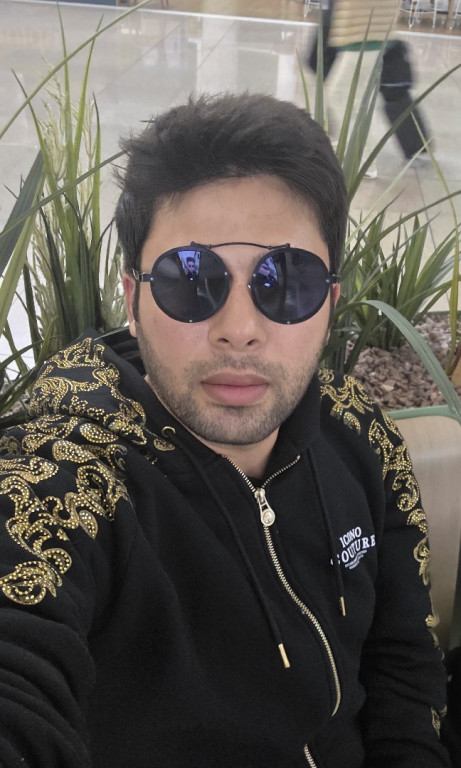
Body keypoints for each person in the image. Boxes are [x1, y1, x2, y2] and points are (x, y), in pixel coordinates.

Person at [0, 93, 451, 768]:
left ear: (329, 304)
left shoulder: (359, 432)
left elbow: (403, 667)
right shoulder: (65, 481)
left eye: (286, 281)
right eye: (191, 280)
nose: (238, 329)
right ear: (133, 301)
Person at [307, 0, 431, 160]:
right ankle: (342, 143)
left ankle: (358, 154)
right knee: (344, 92)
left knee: (341, 96)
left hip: (362, 36)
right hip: (361, 34)